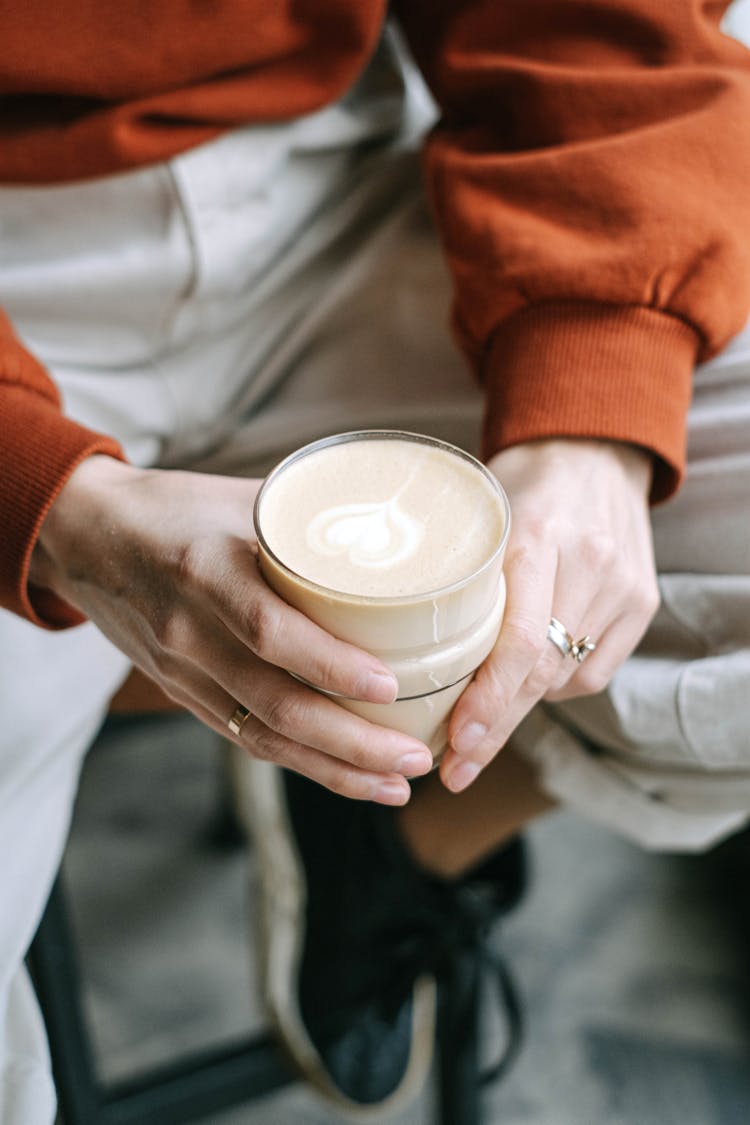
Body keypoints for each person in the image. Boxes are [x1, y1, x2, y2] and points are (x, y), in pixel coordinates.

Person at [2, 1, 749, 1120]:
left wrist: (598, 380)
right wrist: (47, 503)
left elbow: (597, 26)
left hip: (335, 171)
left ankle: (393, 826)